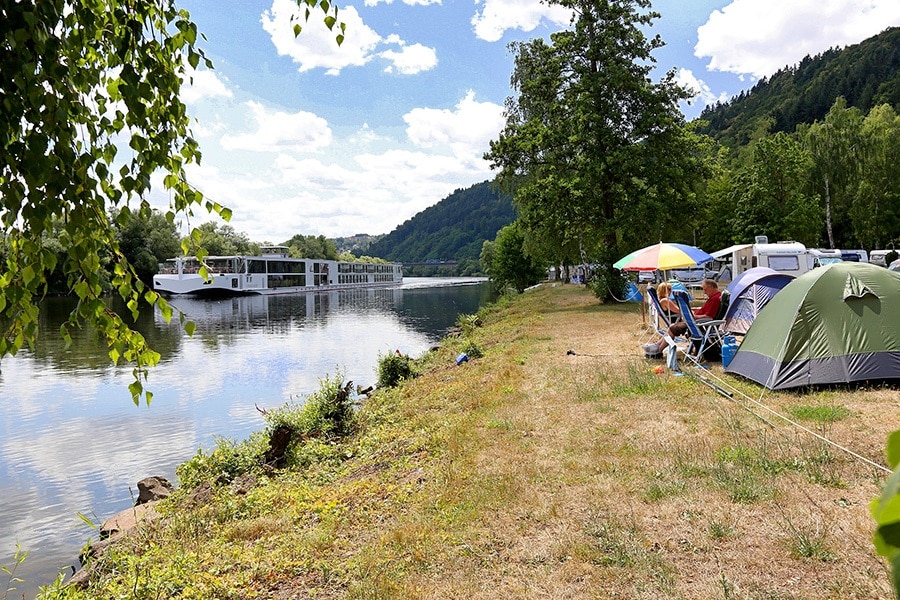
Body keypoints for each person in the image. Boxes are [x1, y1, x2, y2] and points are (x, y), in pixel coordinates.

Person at [643, 279, 722, 355]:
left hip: (697, 323)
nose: (704, 292)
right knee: (672, 327)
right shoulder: (713, 298)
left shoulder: (715, 299)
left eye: (705, 290)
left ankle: (658, 350)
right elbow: (706, 311)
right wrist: (694, 313)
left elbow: (708, 316)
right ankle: (657, 348)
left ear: (712, 288)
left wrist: (693, 317)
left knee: (673, 328)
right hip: (695, 322)